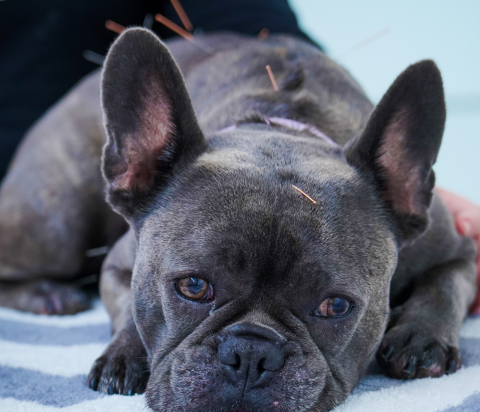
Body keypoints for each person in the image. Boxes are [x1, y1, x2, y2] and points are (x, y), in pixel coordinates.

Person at [1, 0, 479, 311]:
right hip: (61, 143)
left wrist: (394, 193)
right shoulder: (174, 182)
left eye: (331, 308)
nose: (248, 359)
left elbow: (454, 261)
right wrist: (129, 330)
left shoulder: (373, 207)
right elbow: (123, 266)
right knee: (48, 229)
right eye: (195, 289)